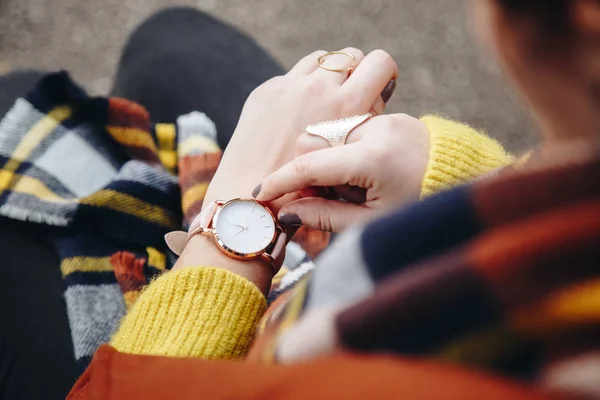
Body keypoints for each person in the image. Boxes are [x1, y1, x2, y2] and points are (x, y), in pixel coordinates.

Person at [0, 0, 597, 398]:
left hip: (185, 356)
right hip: (335, 266)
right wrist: (448, 175)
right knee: (171, 40)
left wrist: (232, 225)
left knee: (18, 100)